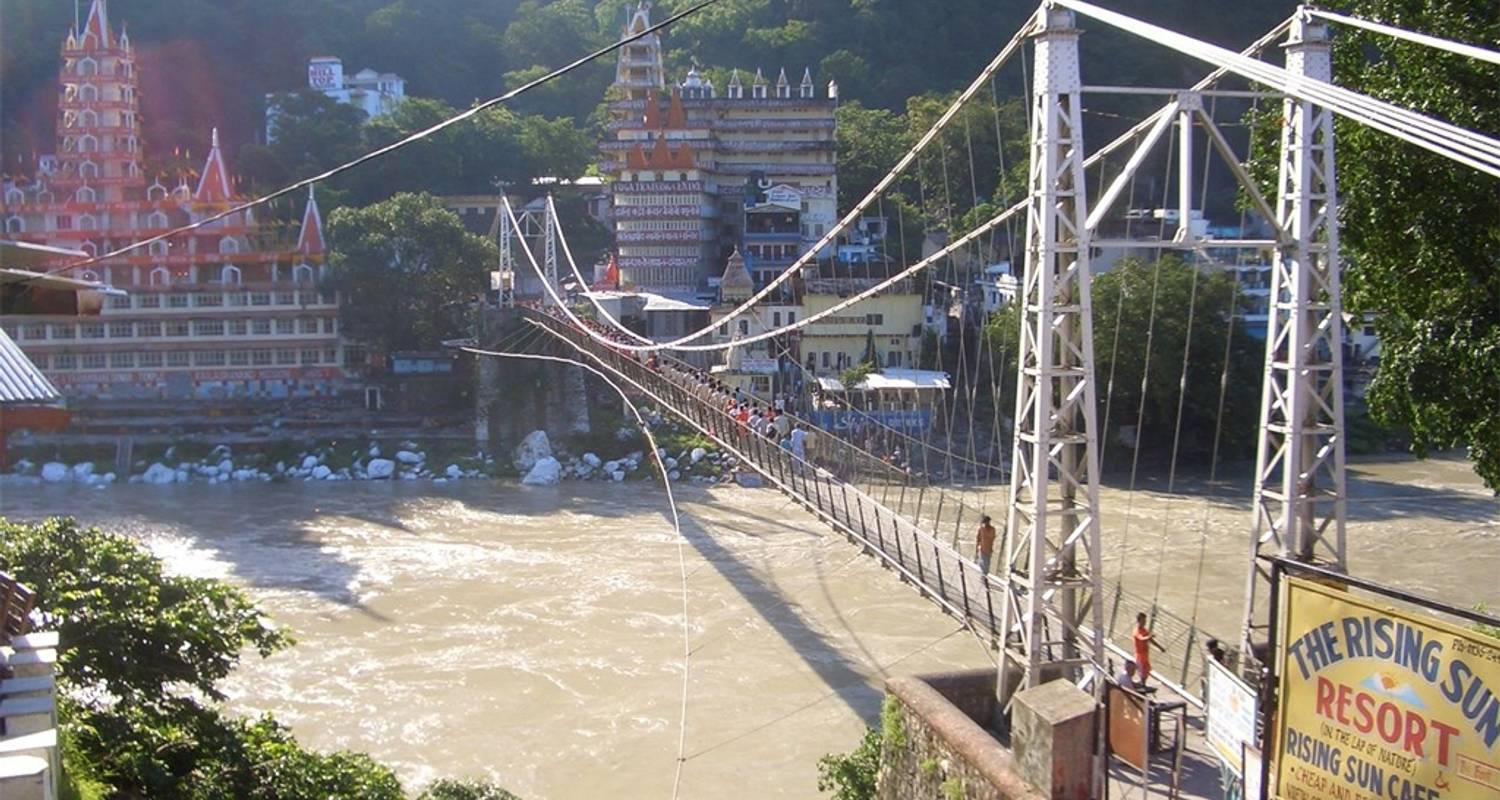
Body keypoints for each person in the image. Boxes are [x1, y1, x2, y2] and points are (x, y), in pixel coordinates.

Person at [1133, 612, 1166, 686]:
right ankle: (1142, 684)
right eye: (1143, 621)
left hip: (1145, 654)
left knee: (1146, 671)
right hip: (1140, 655)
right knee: (1143, 671)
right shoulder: (1136, 631)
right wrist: (1149, 636)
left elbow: (1151, 640)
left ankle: (1143, 684)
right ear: (1139, 621)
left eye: (1145, 621)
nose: (1145, 623)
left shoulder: (1144, 630)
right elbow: (1141, 639)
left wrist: (1160, 647)